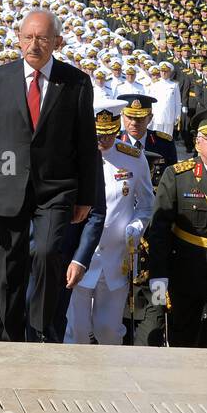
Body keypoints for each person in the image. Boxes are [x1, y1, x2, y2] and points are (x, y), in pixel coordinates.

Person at [0, 9, 99, 343]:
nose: (34, 44)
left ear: (57, 41)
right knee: (9, 264)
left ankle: (40, 329)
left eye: (42, 38)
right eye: (28, 37)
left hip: (57, 189)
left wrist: (87, 197)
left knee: (47, 252)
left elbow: (86, 143)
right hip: (10, 184)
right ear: (19, 39)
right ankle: (9, 333)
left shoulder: (76, 82)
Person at [64, 100, 153, 346]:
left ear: (117, 129)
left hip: (116, 257)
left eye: (109, 135)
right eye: (98, 135)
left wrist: (137, 226)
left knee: (109, 330)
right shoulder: (74, 156)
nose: (103, 141)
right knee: (77, 331)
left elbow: (146, 203)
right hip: (80, 256)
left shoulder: (133, 158)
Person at [147, 108, 207, 347]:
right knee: (183, 334)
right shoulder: (178, 176)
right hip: (186, 269)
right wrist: (158, 275)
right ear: (198, 142)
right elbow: (159, 230)